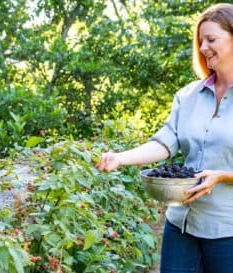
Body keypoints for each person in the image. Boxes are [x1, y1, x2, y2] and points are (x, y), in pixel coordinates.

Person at [97, 3, 233, 273]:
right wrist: (120, 158)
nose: (203, 47)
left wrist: (223, 176)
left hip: (227, 229)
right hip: (181, 226)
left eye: (211, 39)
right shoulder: (189, 95)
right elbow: (164, 142)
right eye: (200, 40)